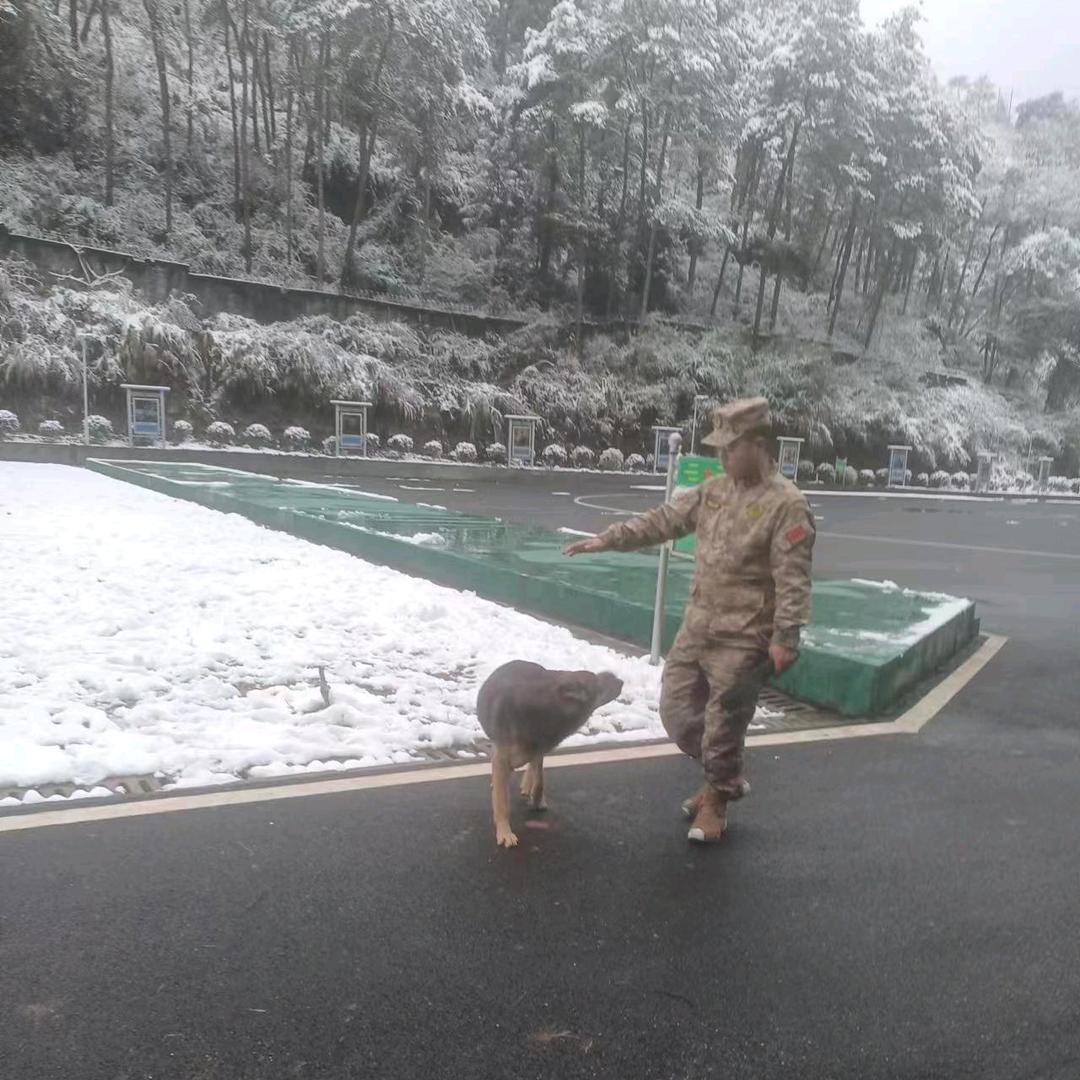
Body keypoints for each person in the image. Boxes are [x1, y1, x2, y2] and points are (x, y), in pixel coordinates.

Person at [562, 397, 815, 843]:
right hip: (698, 625)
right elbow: (664, 521)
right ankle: (725, 774)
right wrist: (608, 539)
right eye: (718, 448)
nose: (721, 457)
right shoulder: (713, 491)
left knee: (724, 721)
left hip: (745, 635)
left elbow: (792, 578)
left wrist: (785, 637)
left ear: (757, 444)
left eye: (730, 448)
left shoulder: (787, 505)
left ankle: (716, 799)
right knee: (676, 713)